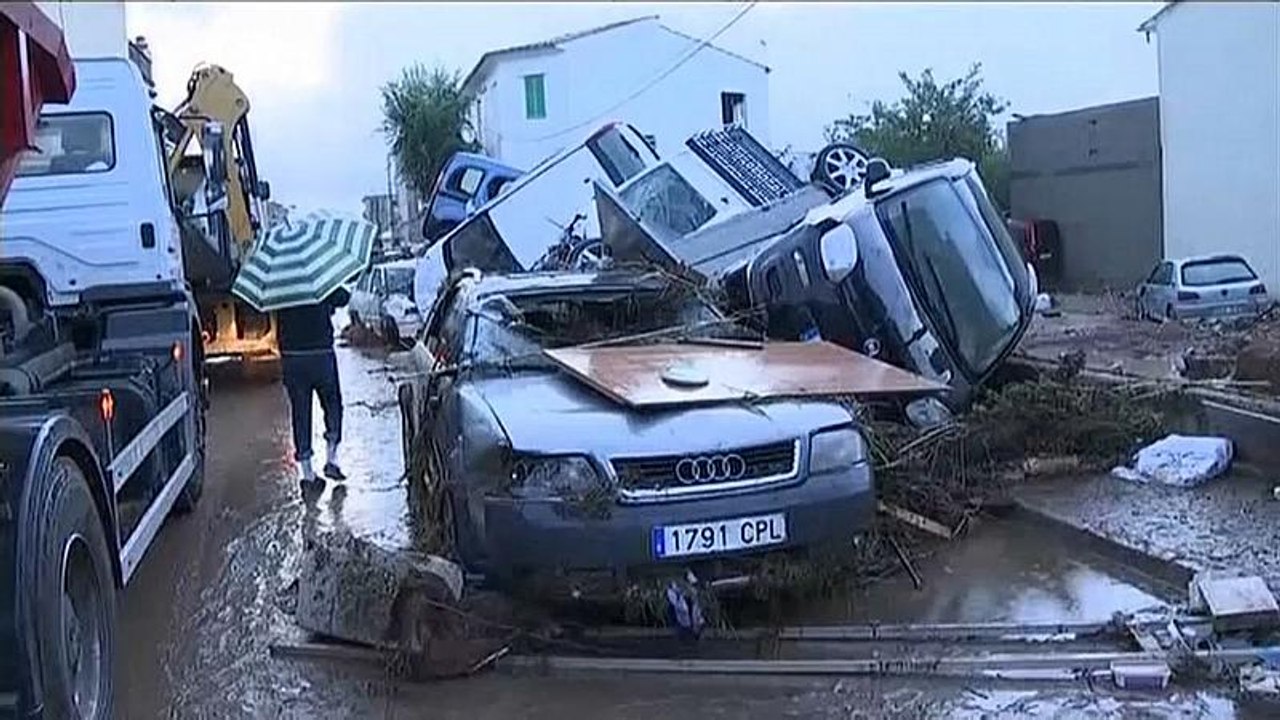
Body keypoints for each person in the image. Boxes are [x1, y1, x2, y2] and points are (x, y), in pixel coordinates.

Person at [276, 286, 350, 484]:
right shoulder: (318, 277)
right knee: (333, 404)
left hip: (292, 358)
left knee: (300, 412)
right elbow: (343, 297)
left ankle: (308, 474)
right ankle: (332, 458)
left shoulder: (278, 285)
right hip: (321, 354)